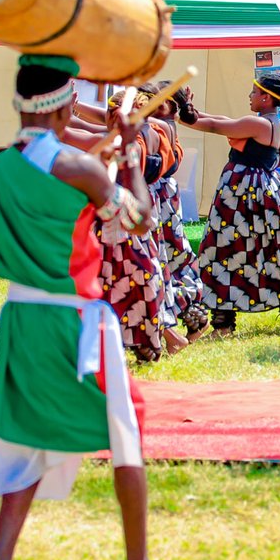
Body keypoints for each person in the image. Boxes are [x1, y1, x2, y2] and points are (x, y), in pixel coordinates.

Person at [0, 56, 180, 560]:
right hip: (74, 317)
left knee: (30, 436)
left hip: (21, 316)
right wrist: (132, 154)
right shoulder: (75, 166)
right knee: (125, 431)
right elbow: (139, 218)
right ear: (66, 104)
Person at [179, 74, 280, 335]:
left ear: (266, 98)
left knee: (223, 250)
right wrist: (188, 109)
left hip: (241, 197)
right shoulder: (269, 123)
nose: (250, 96)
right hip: (262, 195)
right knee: (271, 254)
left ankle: (223, 325)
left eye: (254, 92)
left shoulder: (257, 124)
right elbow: (220, 120)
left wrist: (183, 112)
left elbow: (212, 125)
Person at [94, 86, 178, 362]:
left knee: (130, 279)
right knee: (144, 278)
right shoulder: (156, 131)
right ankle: (155, 339)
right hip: (140, 210)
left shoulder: (130, 145)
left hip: (123, 217)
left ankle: (149, 341)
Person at [149, 83, 210, 340]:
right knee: (171, 256)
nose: (149, 104)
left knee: (172, 255)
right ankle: (191, 316)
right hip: (163, 197)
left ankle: (192, 314)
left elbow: (117, 124)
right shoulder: (160, 122)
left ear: (171, 106)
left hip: (162, 200)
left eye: (156, 100)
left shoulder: (163, 125)